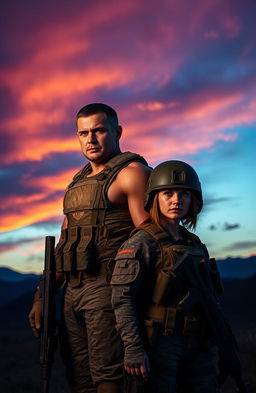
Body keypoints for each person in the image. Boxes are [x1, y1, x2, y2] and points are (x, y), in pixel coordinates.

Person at [28, 103, 151, 393]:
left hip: (108, 288)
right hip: (71, 291)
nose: (91, 139)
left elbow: (151, 237)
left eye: (98, 131)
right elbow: (64, 245)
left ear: (117, 131)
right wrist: (43, 294)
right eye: (83, 133)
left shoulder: (131, 174)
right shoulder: (76, 184)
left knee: (109, 378)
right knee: (80, 379)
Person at [111, 160, 223, 393]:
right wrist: (133, 348)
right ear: (154, 198)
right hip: (160, 343)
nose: (176, 200)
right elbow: (123, 299)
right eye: (168, 193)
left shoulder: (194, 244)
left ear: (193, 200)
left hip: (197, 342)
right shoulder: (141, 242)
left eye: (184, 194)